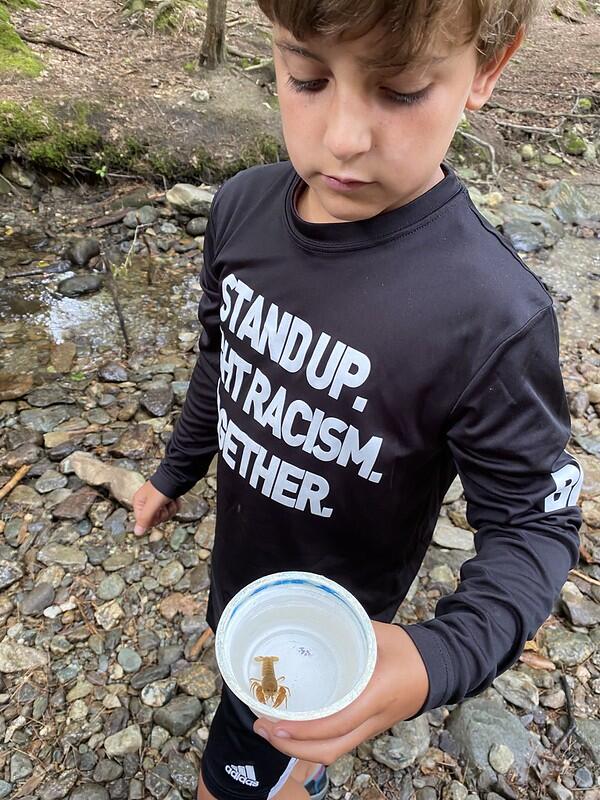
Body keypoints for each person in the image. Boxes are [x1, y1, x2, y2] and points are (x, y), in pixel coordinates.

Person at [133, 1, 582, 798]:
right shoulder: (241, 210)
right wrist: (175, 471)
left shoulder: (491, 317)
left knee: (243, 776)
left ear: (487, 67)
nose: (342, 138)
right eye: (305, 76)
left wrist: (436, 656)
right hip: (240, 577)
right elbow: (222, 360)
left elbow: (533, 521)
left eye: (401, 89)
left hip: (335, 627)